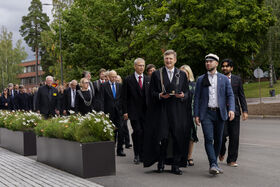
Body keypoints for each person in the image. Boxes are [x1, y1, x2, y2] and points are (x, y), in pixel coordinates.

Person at [143, 50, 191, 175]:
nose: (168, 61)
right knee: (163, 138)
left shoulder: (181, 74)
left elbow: (187, 93)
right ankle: (161, 163)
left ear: (175, 60)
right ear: (164, 59)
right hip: (162, 110)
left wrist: (183, 96)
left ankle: (175, 165)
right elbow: (151, 93)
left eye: (170, 58)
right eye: (166, 58)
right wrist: (159, 95)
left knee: (177, 137)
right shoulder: (157, 74)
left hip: (177, 111)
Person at [193, 53, 235, 175]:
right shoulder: (201, 79)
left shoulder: (224, 79)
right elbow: (197, 98)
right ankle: (213, 163)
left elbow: (230, 95)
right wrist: (196, 115)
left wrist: (231, 109)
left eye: (211, 61)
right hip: (206, 113)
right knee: (209, 138)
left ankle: (215, 163)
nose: (208, 63)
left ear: (216, 63)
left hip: (220, 113)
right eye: (206, 62)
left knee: (219, 140)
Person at [219, 59, 248, 167]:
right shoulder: (218, 78)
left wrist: (245, 110)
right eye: (223, 66)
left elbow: (241, 95)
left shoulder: (237, 79)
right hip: (221, 112)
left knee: (234, 136)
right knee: (221, 135)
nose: (224, 68)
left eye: (227, 66)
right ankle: (221, 150)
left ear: (231, 68)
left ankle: (232, 160)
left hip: (234, 112)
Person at [122, 58, 150, 164]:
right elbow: (124, 97)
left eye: (143, 65)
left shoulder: (148, 79)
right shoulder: (128, 80)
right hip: (134, 112)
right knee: (138, 131)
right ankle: (137, 154)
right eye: (139, 65)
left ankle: (143, 154)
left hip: (146, 112)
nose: (141, 67)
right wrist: (125, 111)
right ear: (135, 66)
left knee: (144, 133)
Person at [101, 70, 126, 156]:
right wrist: (102, 112)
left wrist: (124, 111)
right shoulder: (104, 86)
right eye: (112, 77)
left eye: (115, 77)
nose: (114, 78)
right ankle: (110, 149)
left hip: (119, 112)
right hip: (109, 112)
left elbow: (123, 99)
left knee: (121, 131)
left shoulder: (120, 86)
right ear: (108, 77)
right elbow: (102, 99)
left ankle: (120, 150)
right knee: (111, 132)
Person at [180, 65, 199, 166]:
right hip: (180, 113)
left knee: (191, 136)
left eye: (185, 72)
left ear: (188, 73)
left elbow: (197, 100)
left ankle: (189, 156)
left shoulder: (194, 85)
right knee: (181, 135)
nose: (183, 74)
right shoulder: (176, 84)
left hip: (191, 113)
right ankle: (180, 156)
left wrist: (197, 114)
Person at [116, 75, 132, 149]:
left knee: (124, 127)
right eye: (116, 81)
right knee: (119, 128)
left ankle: (127, 142)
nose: (117, 82)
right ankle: (119, 143)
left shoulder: (123, 87)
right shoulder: (114, 87)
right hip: (116, 111)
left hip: (123, 111)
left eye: (118, 81)